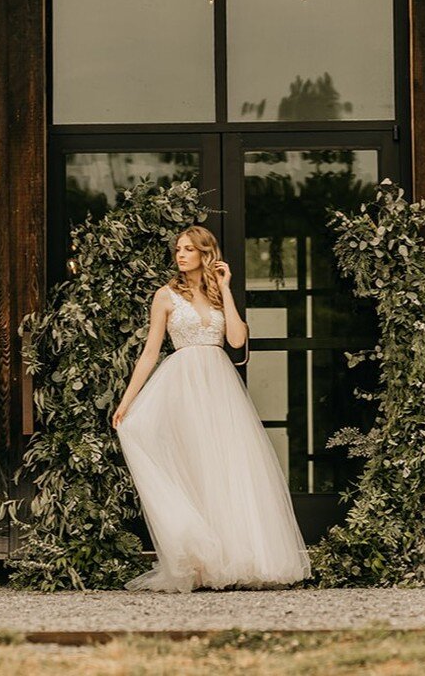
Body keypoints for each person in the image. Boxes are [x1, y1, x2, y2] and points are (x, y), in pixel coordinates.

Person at [112, 224, 312, 592]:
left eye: (189, 249)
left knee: (226, 467)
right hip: (182, 385)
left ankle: (236, 558)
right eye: (178, 249)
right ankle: (200, 561)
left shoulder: (219, 295)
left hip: (219, 388)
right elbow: (151, 352)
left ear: (207, 254)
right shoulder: (166, 296)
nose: (181, 255)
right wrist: (127, 401)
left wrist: (226, 288)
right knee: (193, 466)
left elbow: (236, 339)